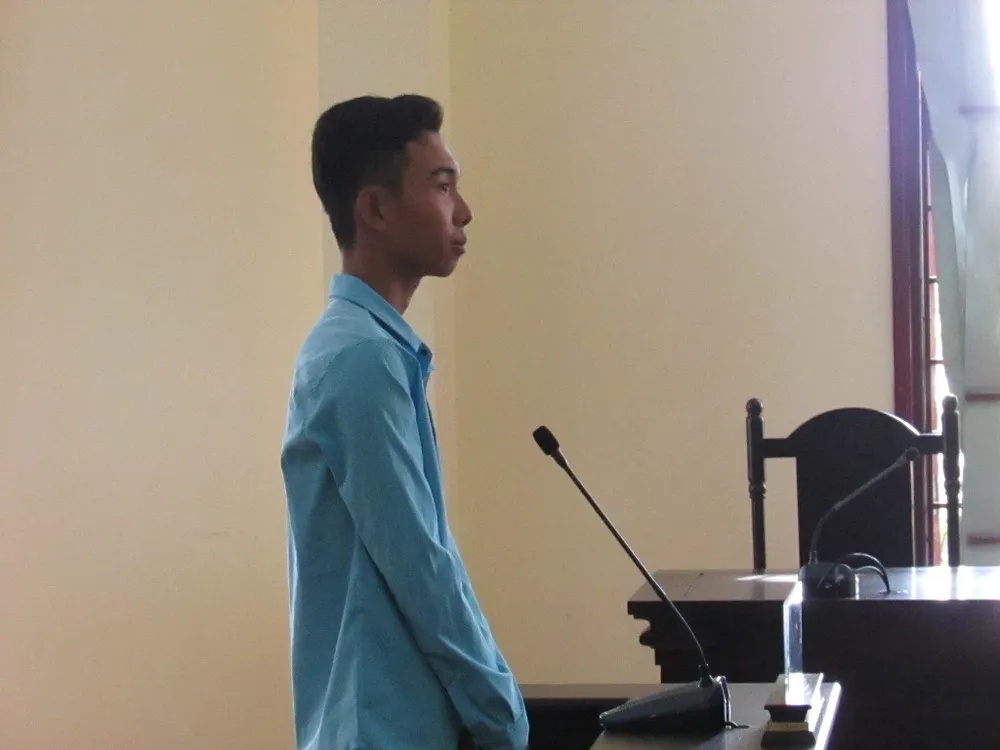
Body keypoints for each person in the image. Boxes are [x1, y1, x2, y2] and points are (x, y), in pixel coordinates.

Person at [280, 94, 529, 750]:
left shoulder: (371, 347)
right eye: (442, 186)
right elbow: (419, 563)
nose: (463, 210)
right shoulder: (360, 357)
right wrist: (500, 710)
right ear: (376, 209)